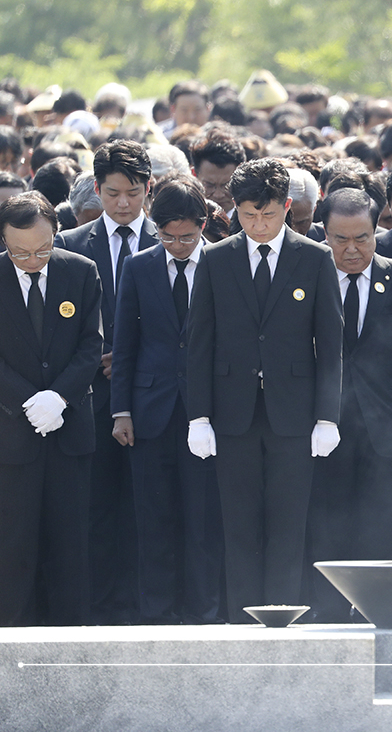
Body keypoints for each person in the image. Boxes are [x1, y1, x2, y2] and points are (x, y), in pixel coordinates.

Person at [186, 158, 343, 622]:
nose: (258, 225)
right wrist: (199, 416)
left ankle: (283, 619)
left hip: (293, 415)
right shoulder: (216, 258)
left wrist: (327, 415)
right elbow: (199, 342)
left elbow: (330, 343)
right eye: (249, 215)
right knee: (239, 526)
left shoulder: (313, 257)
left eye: (268, 215)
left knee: (288, 525)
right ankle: (242, 621)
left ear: (287, 207)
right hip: (233, 412)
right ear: (235, 210)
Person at [307, 188, 392, 621]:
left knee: (384, 529)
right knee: (328, 527)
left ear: (377, 230)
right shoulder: (308, 274)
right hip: (326, 426)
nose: (352, 249)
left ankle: (381, 614)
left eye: (362, 238)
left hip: (389, 427)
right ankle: (328, 616)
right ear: (324, 235)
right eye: (340, 239)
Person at [109, 175, 222, 624]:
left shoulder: (221, 263)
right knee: (153, 521)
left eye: (186, 237)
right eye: (166, 236)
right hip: (149, 410)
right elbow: (125, 341)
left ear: (203, 225)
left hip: (205, 412)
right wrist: (121, 410)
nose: (176, 245)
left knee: (203, 519)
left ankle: (204, 613)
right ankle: (156, 614)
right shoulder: (138, 266)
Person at [55, 139, 159, 624]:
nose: (123, 204)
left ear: (148, 189)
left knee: (150, 511)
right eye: (113, 193)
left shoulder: (171, 240)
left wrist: (135, 360)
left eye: (133, 193)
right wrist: (98, 356)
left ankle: (145, 607)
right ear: (97, 189)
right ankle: (97, 611)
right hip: (91, 399)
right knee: (95, 512)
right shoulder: (72, 246)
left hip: (154, 399)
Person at [0, 192, 102, 625]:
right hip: (11, 433)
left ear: (56, 233)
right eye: (20, 252)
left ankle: (71, 636)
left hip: (69, 429)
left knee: (71, 545)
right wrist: (27, 400)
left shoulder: (80, 272)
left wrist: (59, 397)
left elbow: (90, 343)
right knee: (14, 545)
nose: (32, 259)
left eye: (42, 249)